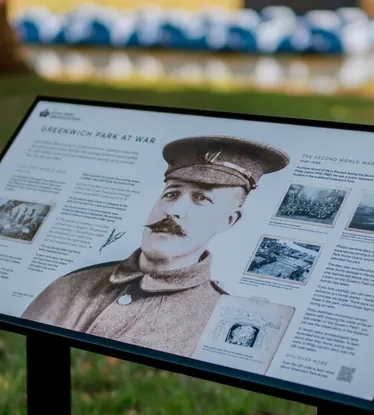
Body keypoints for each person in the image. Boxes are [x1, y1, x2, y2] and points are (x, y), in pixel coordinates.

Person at [21, 135, 290, 357]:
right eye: (171, 194)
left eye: (201, 198)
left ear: (228, 220)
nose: (174, 210)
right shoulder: (68, 287)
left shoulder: (220, 320)